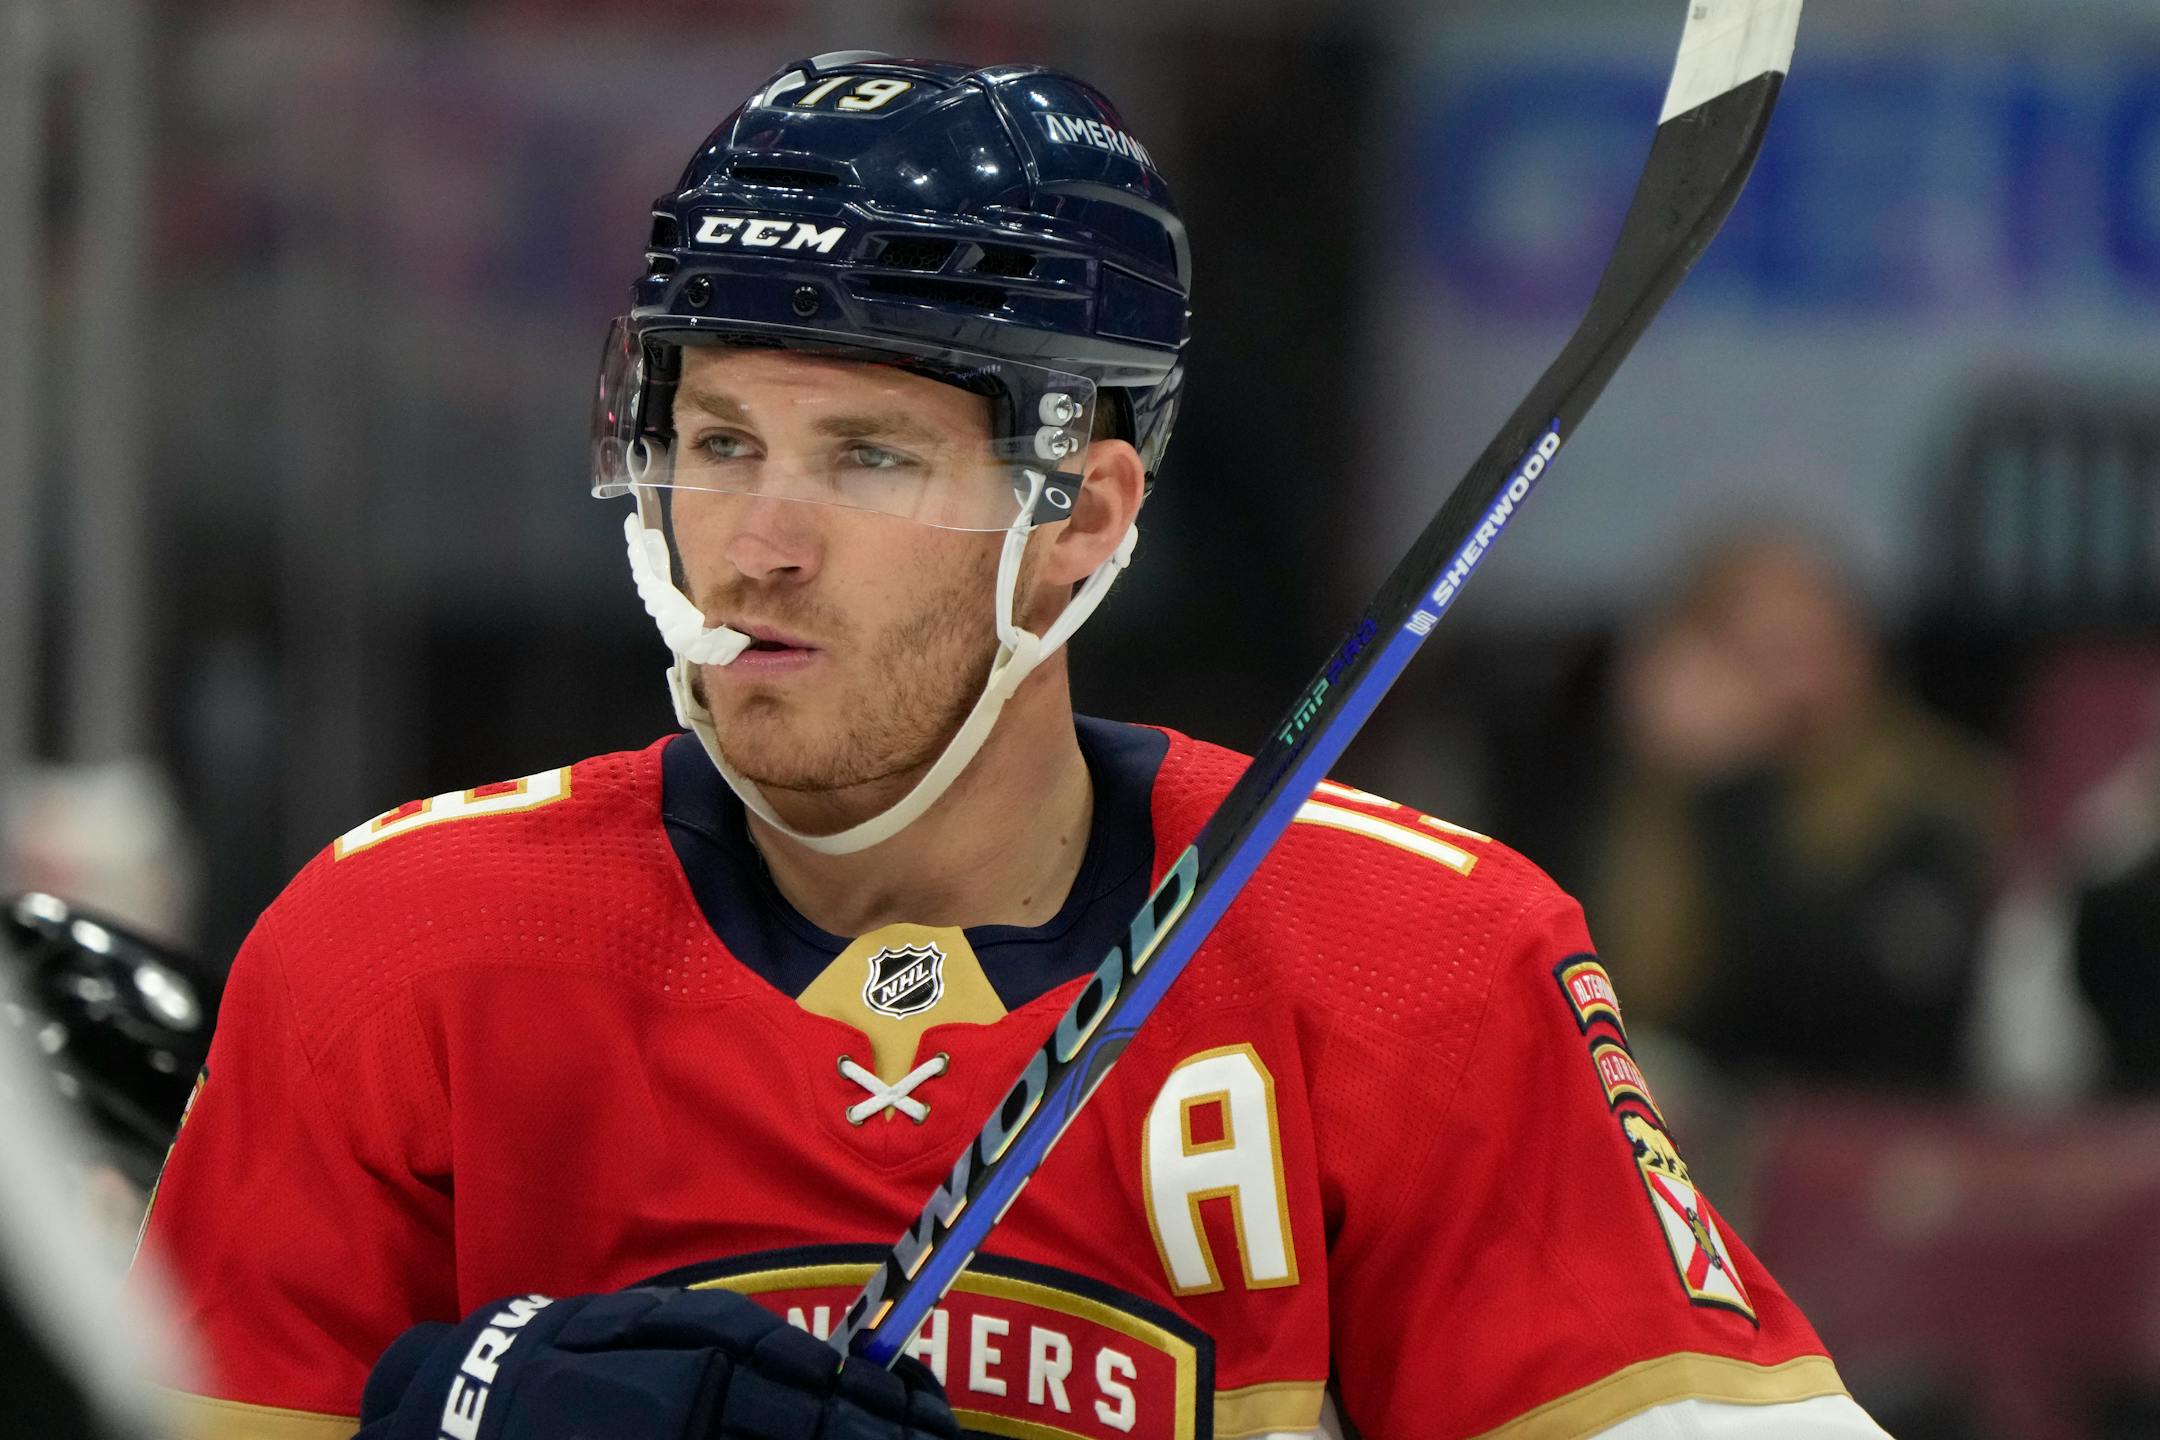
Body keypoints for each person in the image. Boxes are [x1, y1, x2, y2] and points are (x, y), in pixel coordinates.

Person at [134, 54, 1888, 1440]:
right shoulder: (393, 958)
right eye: (722, 441)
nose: (756, 541)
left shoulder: (1413, 966)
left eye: (873, 458)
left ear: (1080, 516)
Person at [1591, 531, 2005, 1089]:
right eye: (1753, 659)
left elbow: (1824, 1018)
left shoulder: (1930, 808)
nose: (1792, 688)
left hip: (1875, 1136)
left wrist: (1730, 786)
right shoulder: (1644, 806)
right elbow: (1636, 1003)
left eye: (1811, 651)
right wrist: (1673, 781)